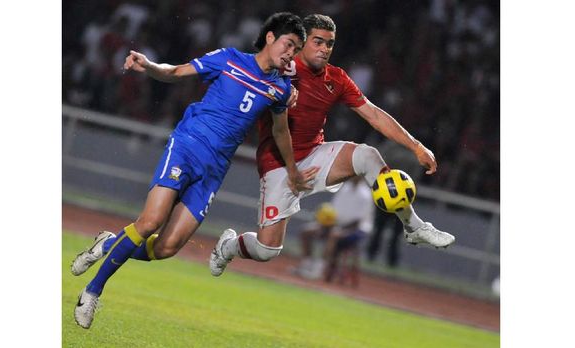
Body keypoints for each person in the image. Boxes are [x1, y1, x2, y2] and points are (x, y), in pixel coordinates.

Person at [70, 12, 309, 329]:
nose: (290, 54)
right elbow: (179, 72)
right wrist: (151, 67)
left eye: (295, 50)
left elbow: (280, 132)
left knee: (167, 247)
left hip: (214, 170)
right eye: (288, 44)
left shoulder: (279, 90)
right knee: (150, 222)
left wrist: (292, 170)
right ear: (270, 37)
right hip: (187, 145)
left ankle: (108, 244)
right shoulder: (228, 59)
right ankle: (91, 291)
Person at [209, 14, 455, 277]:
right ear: (302, 43)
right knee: (267, 250)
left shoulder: (335, 78)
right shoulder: (278, 68)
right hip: (278, 164)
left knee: (367, 155)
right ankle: (230, 246)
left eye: (330, 43)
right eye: (318, 41)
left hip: (315, 155)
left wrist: (416, 146)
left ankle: (414, 227)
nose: (324, 49)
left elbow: (373, 114)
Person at [297, 176, 374, 280]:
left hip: (356, 230)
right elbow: (333, 210)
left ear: (361, 176)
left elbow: (358, 221)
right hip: (336, 225)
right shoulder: (345, 188)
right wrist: (326, 224)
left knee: (333, 235)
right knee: (306, 231)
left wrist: (337, 228)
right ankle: (306, 265)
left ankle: (319, 270)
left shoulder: (366, 195)